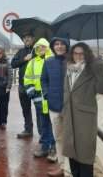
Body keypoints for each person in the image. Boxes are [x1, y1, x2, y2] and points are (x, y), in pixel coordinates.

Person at [62, 42, 103, 177]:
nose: (78, 56)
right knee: (71, 151)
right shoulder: (69, 68)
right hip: (69, 114)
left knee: (84, 154)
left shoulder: (92, 69)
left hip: (85, 117)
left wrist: (101, 69)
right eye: (75, 53)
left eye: (81, 54)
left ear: (87, 54)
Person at [41, 37, 70, 177]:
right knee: (58, 138)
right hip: (53, 106)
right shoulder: (49, 62)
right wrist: (47, 94)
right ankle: (63, 167)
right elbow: (43, 80)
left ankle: (71, 169)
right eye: (56, 44)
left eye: (62, 44)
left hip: (70, 107)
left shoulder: (72, 61)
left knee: (70, 138)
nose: (59, 47)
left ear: (67, 45)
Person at [24, 39, 55, 158]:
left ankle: (54, 148)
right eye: (39, 47)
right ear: (36, 49)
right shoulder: (32, 62)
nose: (41, 48)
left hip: (51, 98)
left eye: (44, 46)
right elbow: (27, 78)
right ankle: (45, 148)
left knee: (54, 124)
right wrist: (31, 91)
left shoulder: (53, 60)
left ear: (48, 47)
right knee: (43, 124)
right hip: (38, 99)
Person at [11, 31, 38, 138]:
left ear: (33, 39)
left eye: (29, 37)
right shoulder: (20, 51)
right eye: (25, 38)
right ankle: (28, 129)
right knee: (25, 109)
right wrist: (24, 59)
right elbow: (13, 64)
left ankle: (43, 134)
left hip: (36, 85)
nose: (26, 39)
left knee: (40, 110)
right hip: (23, 85)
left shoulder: (38, 51)